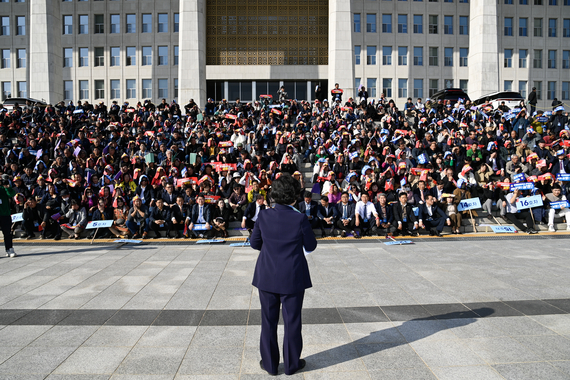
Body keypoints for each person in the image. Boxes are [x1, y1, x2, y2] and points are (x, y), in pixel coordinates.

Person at [250, 173, 317, 376]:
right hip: (293, 276)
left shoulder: (263, 215)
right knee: (292, 322)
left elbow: (255, 243)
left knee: (268, 321)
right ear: (293, 197)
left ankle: (270, 365)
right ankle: (291, 364)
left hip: (267, 275)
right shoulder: (299, 218)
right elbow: (311, 245)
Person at [0, 179, 16, 257]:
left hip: (5, 214)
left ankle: (9, 249)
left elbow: (11, 194)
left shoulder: (3, 188)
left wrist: (7, 187)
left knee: (7, 233)